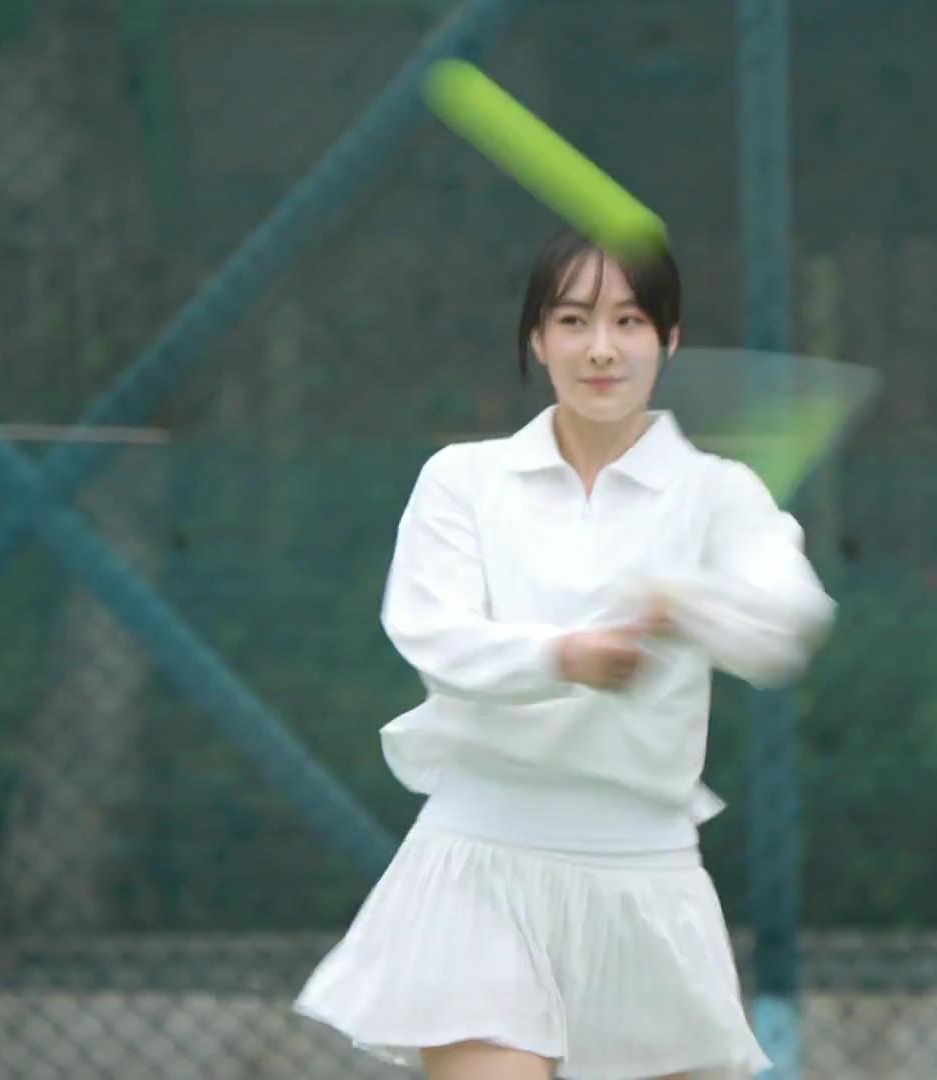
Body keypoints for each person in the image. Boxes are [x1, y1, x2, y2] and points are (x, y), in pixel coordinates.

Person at [294, 228, 836, 1080]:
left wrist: (682, 602)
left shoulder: (719, 493)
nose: (601, 348)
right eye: (574, 320)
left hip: (645, 879)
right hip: (478, 867)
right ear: (537, 339)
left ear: (669, 339)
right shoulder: (462, 478)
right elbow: (432, 633)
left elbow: (785, 624)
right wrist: (566, 657)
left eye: (629, 321)